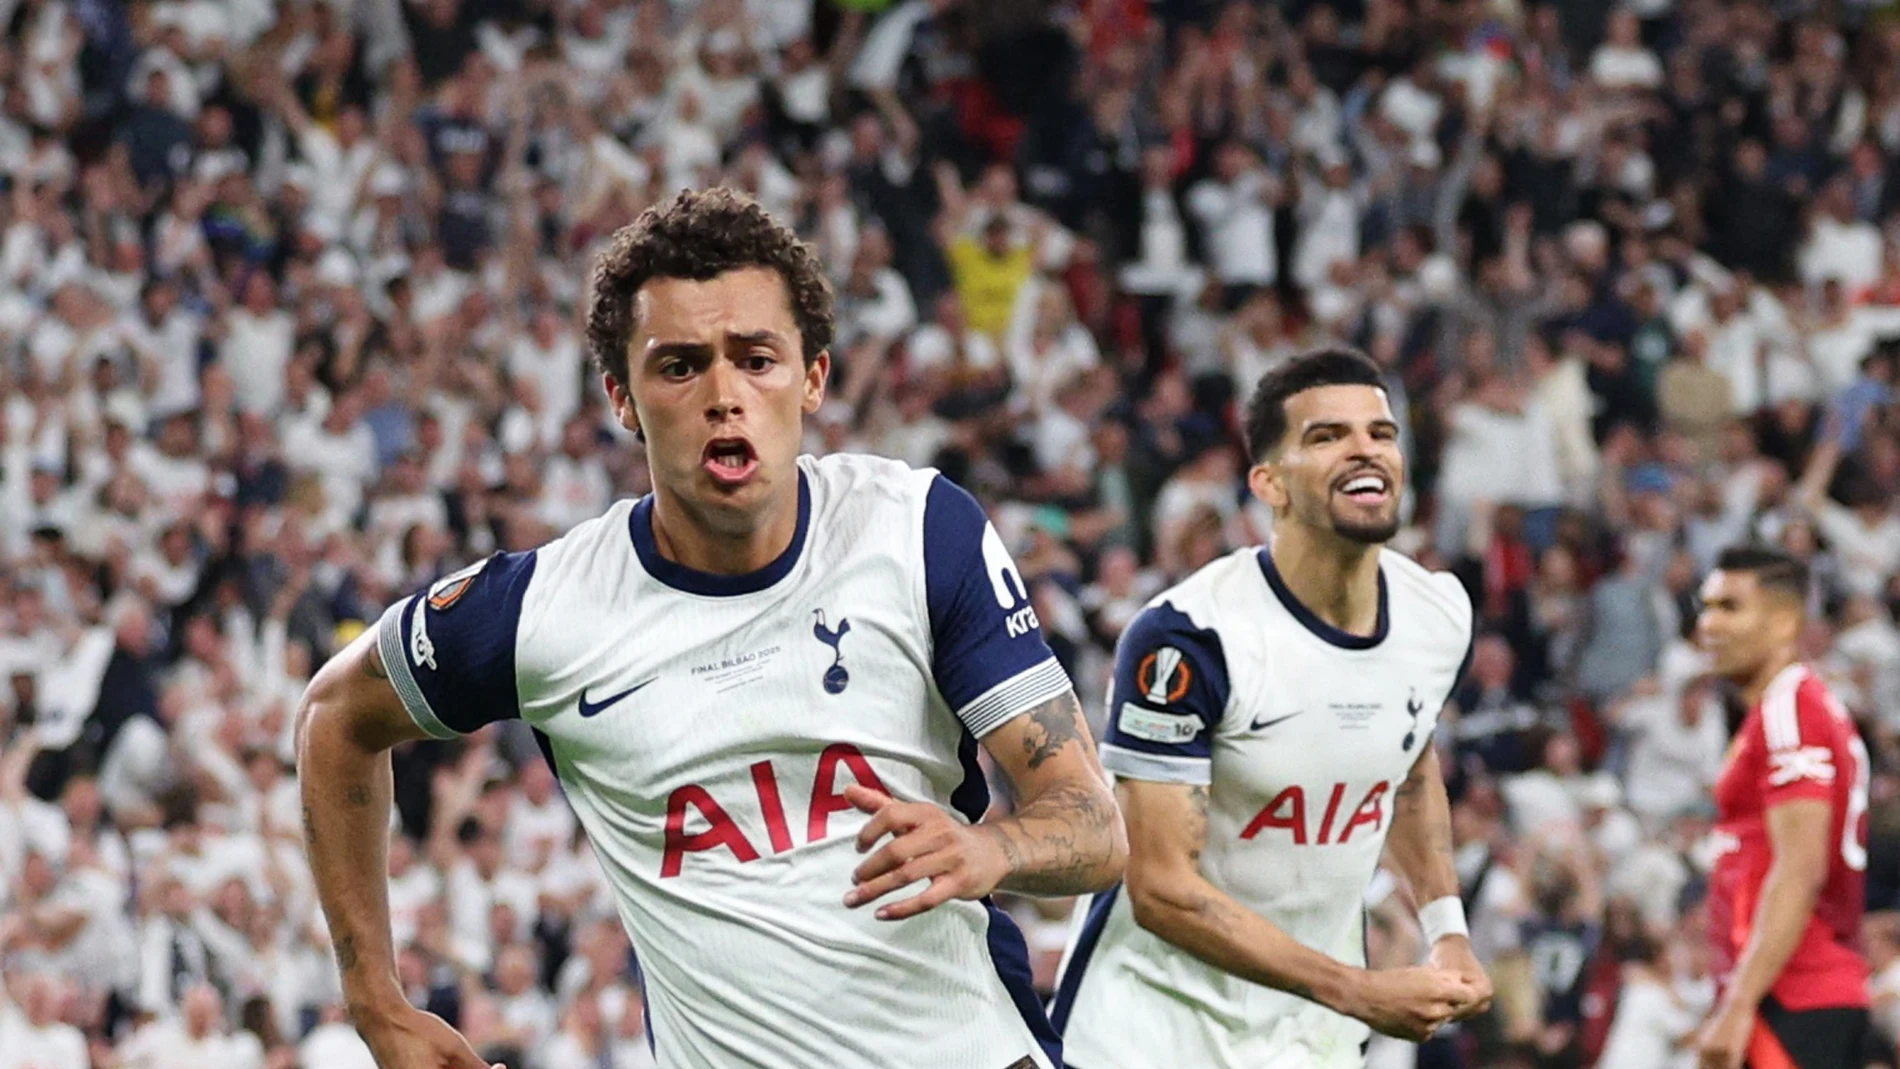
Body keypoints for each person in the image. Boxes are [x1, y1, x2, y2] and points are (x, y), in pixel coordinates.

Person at [295, 188, 1127, 1069]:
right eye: (681, 365)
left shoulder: (917, 530)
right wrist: (378, 1004)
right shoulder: (542, 610)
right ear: (622, 396)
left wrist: (987, 846)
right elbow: (332, 720)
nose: (725, 395)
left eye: (757, 358)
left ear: (813, 377)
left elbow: (1095, 825)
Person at [1049, 348, 1491, 1068]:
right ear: (1269, 484)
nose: (1364, 449)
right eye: (1327, 436)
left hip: (1306, 1036)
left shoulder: (1438, 612)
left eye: (1381, 433)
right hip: (1147, 1027)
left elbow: (1407, 762)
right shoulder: (1189, 639)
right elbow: (1160, 885)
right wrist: (1355, 988)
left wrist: (1447, 928)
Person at [1690, 545, 1875, 1069]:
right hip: (1792, 992)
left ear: (1784, 622)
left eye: (1730, 607)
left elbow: (1800, 867)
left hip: (1793, 995)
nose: (1709, 624)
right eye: (1706, 607)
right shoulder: (1783, 709)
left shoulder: (1790, 710)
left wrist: (1739, 1002)